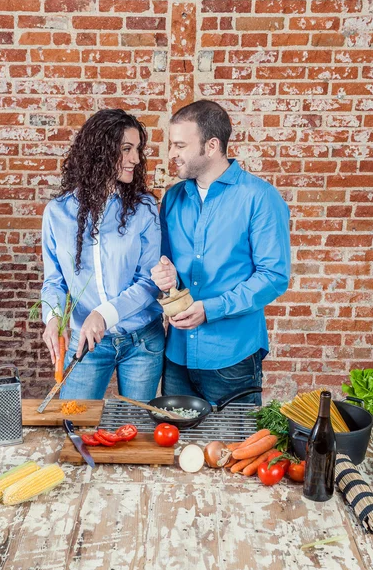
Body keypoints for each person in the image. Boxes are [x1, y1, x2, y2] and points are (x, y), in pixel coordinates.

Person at [151, 100, 291, 406]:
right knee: (179, 449)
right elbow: (164, 265)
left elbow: (274, 277)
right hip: (177, 355)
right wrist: (165, 274)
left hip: (232, 357)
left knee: (236, 448)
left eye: (180, 145)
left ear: (212, 145)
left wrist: (210, 309)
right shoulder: (173, 198)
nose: (171, 154)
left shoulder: (259, 198)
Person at [41, 109, 164, 401]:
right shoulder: (57, 213)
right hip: (88, 343)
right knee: (73, 422)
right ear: (101, 151)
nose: (136, 158)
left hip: (142, 342)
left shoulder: (143, 208)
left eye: (137, 150)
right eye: (126, 149)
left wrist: (103, 314)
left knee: (137, 429)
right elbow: (54, 281)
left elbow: (150, 281)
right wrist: (53, 318)